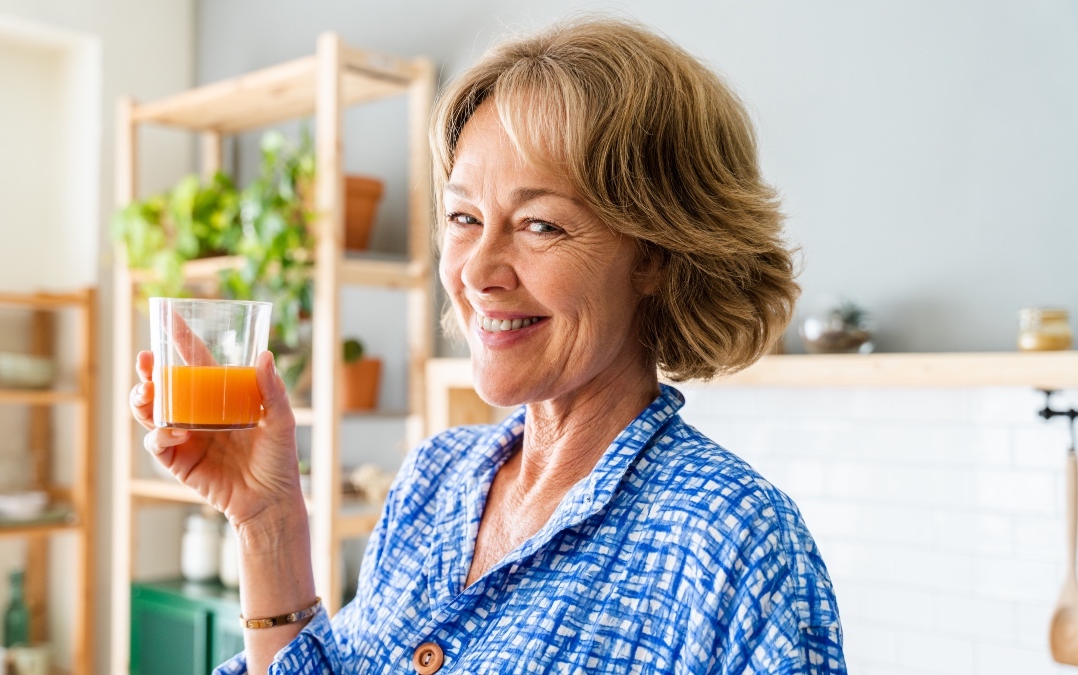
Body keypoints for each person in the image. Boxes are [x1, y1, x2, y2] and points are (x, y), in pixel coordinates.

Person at [130, 16, 845, 674]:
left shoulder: (737, 545)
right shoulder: (435, 479)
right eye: (465, 216)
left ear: (656, 253)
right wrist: (268, 520)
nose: (475, 271)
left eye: (539, 225)